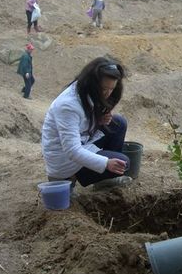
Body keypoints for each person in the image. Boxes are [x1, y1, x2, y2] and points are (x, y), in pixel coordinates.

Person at [41, 57, 132, 189]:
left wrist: (97, 120)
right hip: (65, 158)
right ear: (92, 83)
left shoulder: (86, 92)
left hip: (83, 142)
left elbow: (82, 123)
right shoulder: (67, 105)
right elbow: (72, 150)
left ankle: (103, 179)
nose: (107, 94)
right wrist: (106, 163)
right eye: (103, 89)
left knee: (118, 123)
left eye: (111, 89)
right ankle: (69, 178)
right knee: (123, 163)